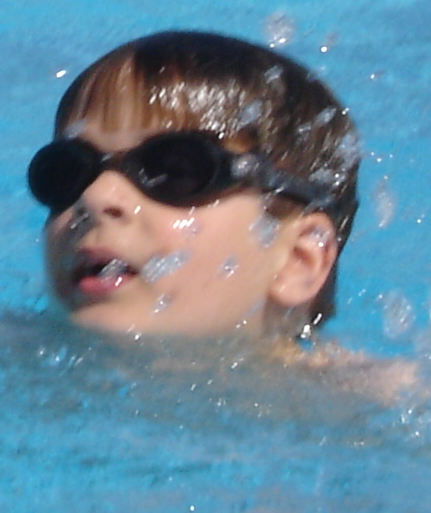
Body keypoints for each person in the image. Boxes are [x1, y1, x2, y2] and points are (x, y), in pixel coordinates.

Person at [32, 28, 384, 360]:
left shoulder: (367, 396)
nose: (95, 197)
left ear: (297, 260)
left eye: (173, 171)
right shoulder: (13, 350)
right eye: (69, 171)